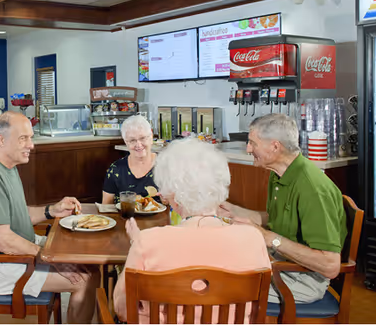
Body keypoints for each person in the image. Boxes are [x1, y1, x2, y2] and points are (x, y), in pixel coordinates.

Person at [0, 111, 100, 324]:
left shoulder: (7, 167)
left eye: (30, 138)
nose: (31, 145)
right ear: (1, 140)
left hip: (18, 254)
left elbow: (17, 214)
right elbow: (2, 240)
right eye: (23, 138)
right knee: (84, 280)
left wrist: (52, 210)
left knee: (90, 266)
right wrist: (52, 260)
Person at [114, 138, 271, 323]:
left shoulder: (147, 241)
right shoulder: (253, 238)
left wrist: (136, 243)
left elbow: (123, 309)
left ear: (173, 195)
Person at [218, 113, 347, 304]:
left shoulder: (313, 189)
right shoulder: (280, 174)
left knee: (220, 283)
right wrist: (233, 210)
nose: (247, 149)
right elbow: (277, 218)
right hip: (283, 262)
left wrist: (268, 238)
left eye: (253, 143)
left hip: (306, 279)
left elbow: (329, 265)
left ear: (275, 146)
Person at [102, 115, 162, 204]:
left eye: (142, 138)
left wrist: (168, 201)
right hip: (124, 217)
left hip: (160, 218)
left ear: (151, 137)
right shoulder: (116, 169)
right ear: (126, 142)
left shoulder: (166, 165)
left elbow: (179, 204)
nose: (138, 145)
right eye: (132, 140)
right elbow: (106, 206)